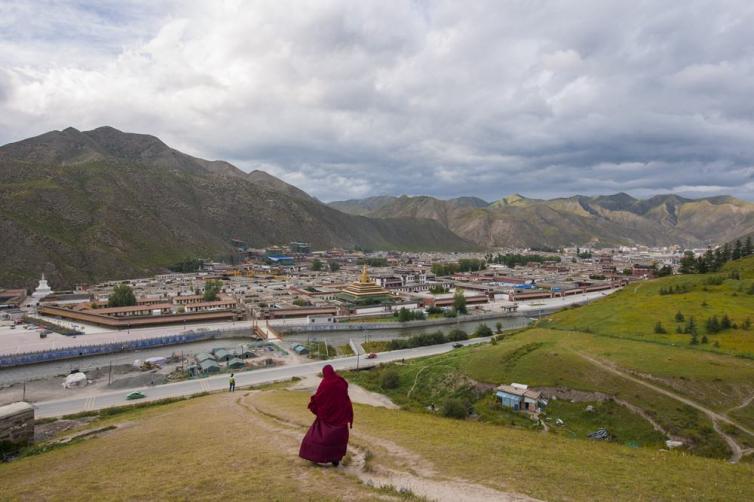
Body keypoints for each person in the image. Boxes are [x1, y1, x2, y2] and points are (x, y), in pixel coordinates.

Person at [299, 364, 353, 467]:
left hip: (327, 415)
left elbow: (319, 397)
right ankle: (336, 459)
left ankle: (316, 456)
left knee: (319, 436)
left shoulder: (325, 383)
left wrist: (314, 402)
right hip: (340, 416)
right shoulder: (340, 381)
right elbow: (345, 392)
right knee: (338, 438)